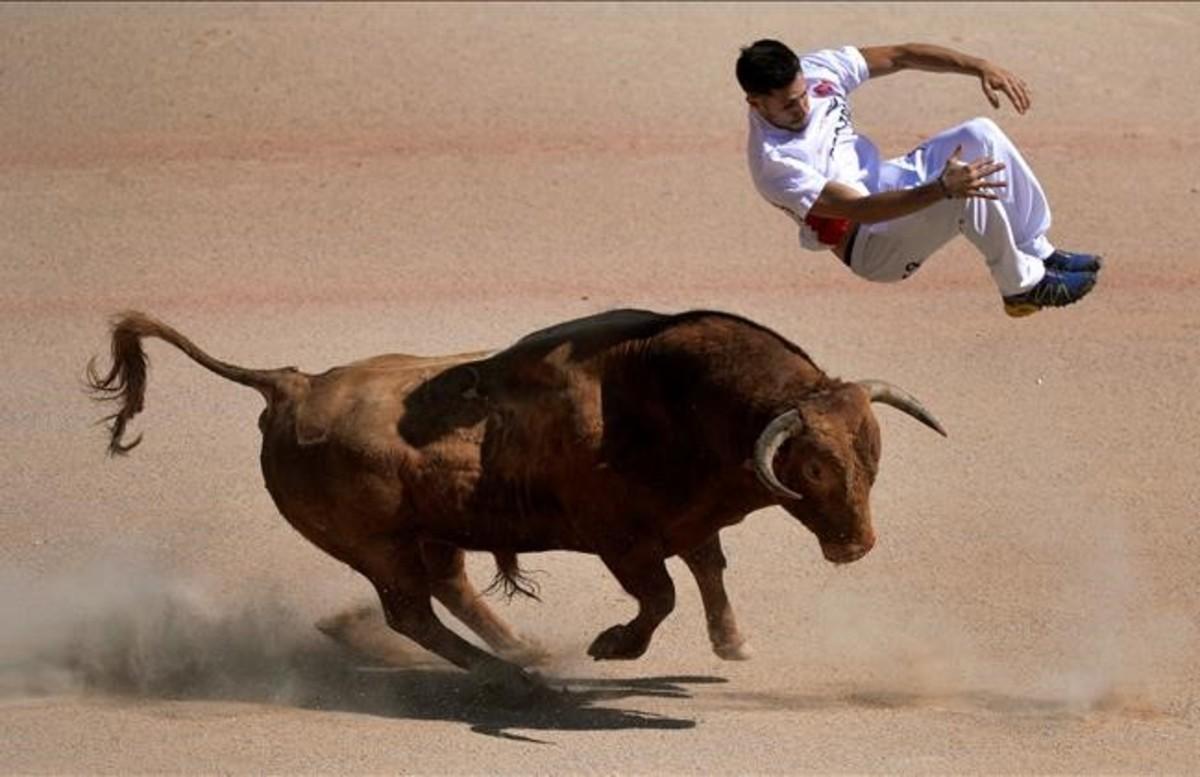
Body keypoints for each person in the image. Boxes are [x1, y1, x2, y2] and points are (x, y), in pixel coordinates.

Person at [736, 40, 1101, 317]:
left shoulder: (819, 72)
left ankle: (1037, 250)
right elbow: (860, 210)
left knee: (979, 133)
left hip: (888, 183)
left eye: (802, 95)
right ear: (755, 103)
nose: (803, 107)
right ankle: (1021, 287)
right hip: (873, 246)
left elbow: (901, 55)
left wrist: (980, 66)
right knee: (962, 191)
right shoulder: (774, 162)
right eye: (788, 105)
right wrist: (940, 188)